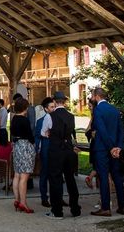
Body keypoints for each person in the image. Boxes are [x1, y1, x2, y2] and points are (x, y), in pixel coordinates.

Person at [43, 91, 81, 219]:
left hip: (56, 150)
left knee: (55, 180)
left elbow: (44, 132)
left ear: (54, 101)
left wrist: (50, 133)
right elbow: (70, 132)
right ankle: (75, 208)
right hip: (68, 149)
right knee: (70, 179)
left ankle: (57, 211)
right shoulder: (71, 116)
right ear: (64, 101)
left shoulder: (50, 116)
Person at [91, 87, 124, 217]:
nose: (91, 98)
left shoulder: (98, 110)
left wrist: (111, 147)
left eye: (92, 96)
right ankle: (122, 206)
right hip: (115, 150)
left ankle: (106, 207)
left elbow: (102, 130)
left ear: (97, 96)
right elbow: (120, 130)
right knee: (117, 176)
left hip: (103, 148)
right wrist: (118, 147)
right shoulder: (114, 109)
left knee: (104, 176)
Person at [11, 97, 36, 214]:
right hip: (25, 146)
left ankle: (16, 200)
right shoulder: (24, 120)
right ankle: (23, 202)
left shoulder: (14, 119)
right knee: (24, 177)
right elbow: (30, 136)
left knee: (17, 175)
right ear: (24, 108)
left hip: (16, 146)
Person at [35, 96, 55, 208]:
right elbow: (37, 136)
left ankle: (57, 197)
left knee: (55, 175)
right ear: (46, 108)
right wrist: (37, 149)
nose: (53, 109)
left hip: (56, 150)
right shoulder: (40, 121)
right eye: (51, 107)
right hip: (46, 150)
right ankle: (44, 198)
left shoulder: (57, 118)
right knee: (45, 174)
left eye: (54, 106)